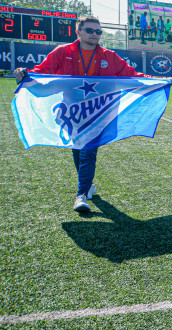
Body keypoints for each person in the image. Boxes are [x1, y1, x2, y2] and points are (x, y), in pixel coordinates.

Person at [13, 16, 150, 213]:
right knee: (78, 148)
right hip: (72, 111)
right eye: (90, 31)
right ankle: (88, 185)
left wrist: (158, 81)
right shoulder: (62, 52)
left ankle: (81, 195)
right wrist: (25, 74)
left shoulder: (109, 56)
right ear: (78, 32)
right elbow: (41, 71)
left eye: (98, 31)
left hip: (100, 112)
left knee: (87, 150)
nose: (95, 35)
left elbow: (131, 75)